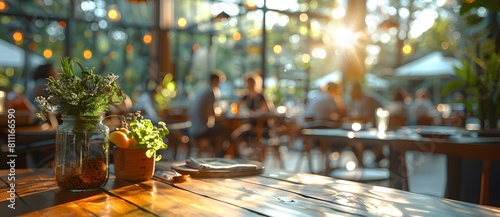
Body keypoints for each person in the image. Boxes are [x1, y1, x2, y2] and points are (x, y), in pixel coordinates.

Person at [187, 70, 230, 157]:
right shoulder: (211, 92)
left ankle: (214, 153)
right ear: (215, 81)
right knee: (227, 131)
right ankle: (220, 156)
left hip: (193, 127)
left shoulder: (203, 90)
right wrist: (223, 114)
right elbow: (210, 116)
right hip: (201, 129)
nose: (220, 85)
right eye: (219, 82)